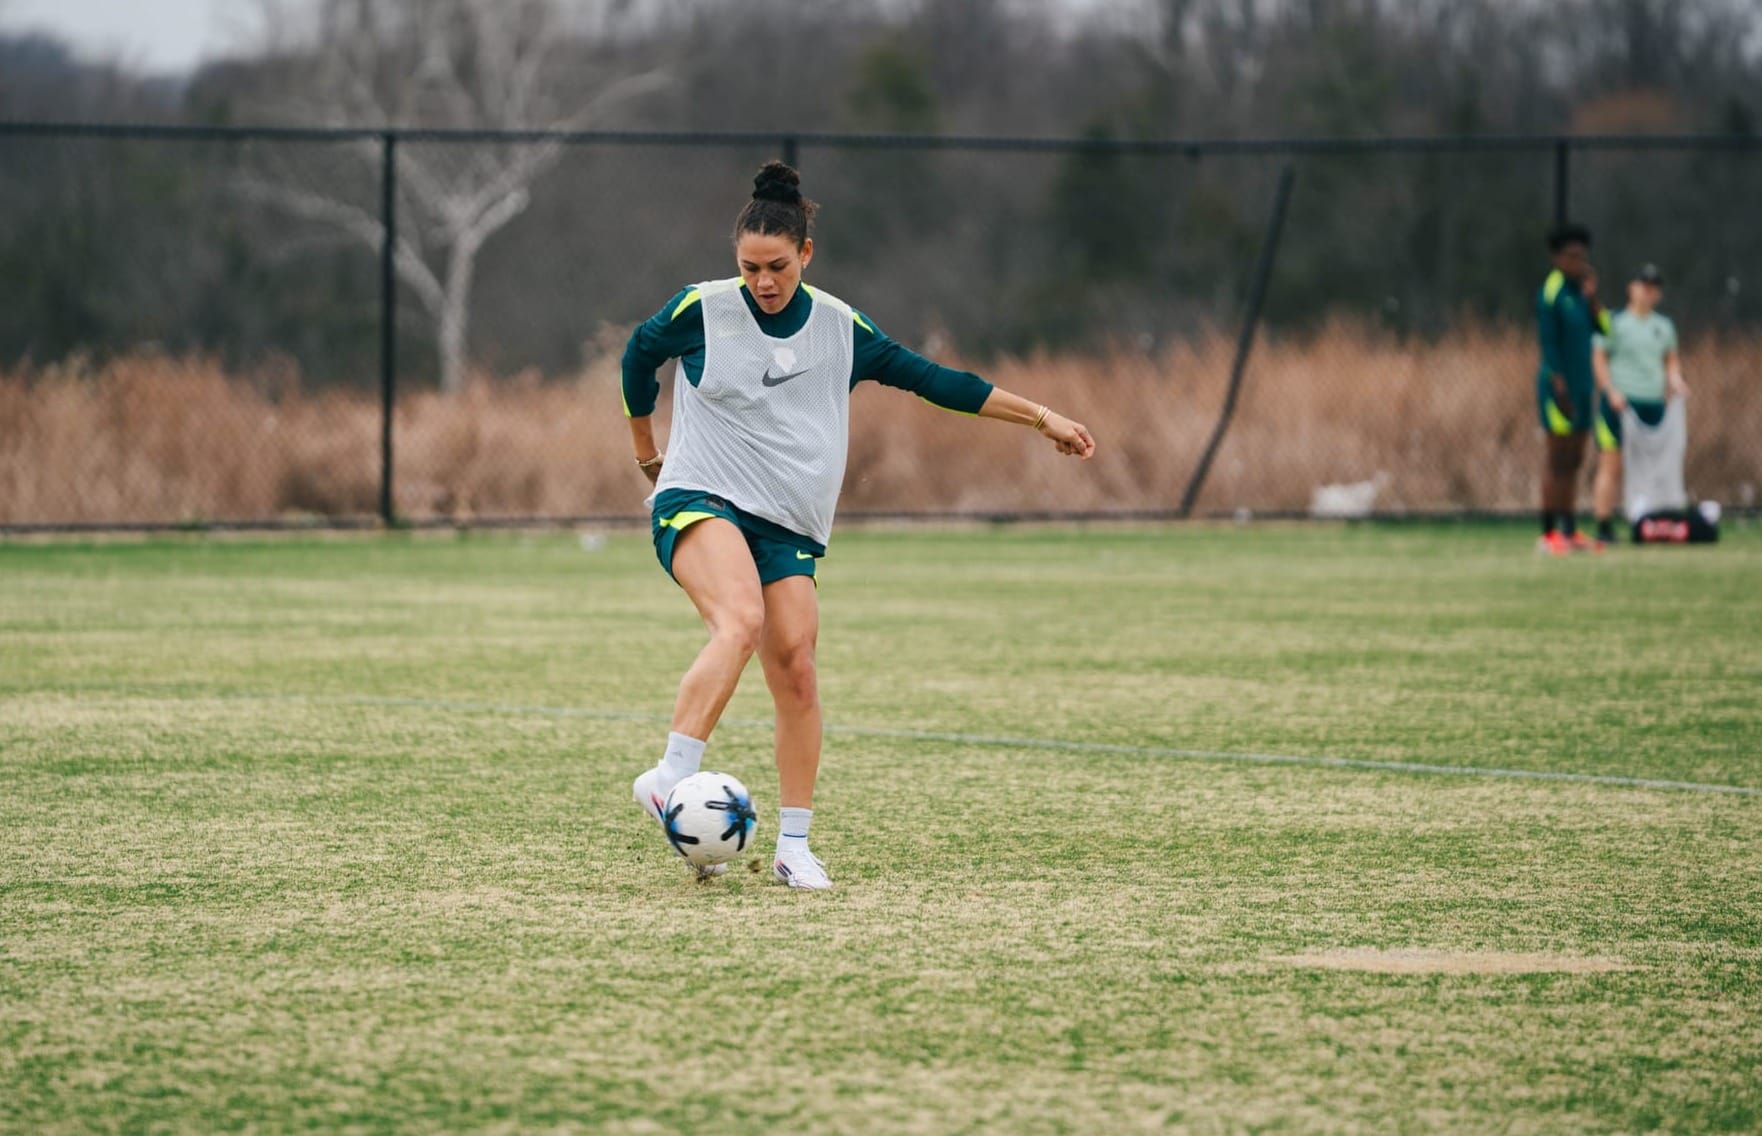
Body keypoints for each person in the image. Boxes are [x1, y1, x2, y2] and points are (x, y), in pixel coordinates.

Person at [619, 161, 1096, 890]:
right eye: (749, 266)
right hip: (699, 498)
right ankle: (669, 778)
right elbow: (636, 358)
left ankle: (794, 848)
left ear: (806, 254)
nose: (762, 281)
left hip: (787, 524)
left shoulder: (843, 330)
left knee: (798, 669)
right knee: (740, 619)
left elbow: (940, 381)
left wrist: (1040, 416)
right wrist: (646, 452)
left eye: (777, 266)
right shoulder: (702, 308)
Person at [1591, 263, 1688, 546]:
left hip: (1652, 404)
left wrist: (1675, 380)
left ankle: (1651, 523)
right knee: (1612, 463)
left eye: (1654, 287)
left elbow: (1671, 360)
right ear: (1631, 288)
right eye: (1643, 285)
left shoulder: (1663, 326)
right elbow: (1599, 358)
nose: (1648, 292)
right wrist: (1610, 390)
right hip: (1619, 405)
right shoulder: (1613, 321)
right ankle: (1604, 525)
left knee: (1653, 469)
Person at [1533, 222, 1610, 555]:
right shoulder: (1551, 292)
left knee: (1577, 459)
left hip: (1583, 385)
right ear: (1557, 257)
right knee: (1557, 458)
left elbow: (1605, 330)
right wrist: (1559, 386)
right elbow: (1548, 345)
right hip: (1558, 388)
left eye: (1582, 256)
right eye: (1572, 256)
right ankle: (1549, 532)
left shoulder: (1581, 292)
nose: (1578, 262)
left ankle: (1569, 527)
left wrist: (1593, 300)